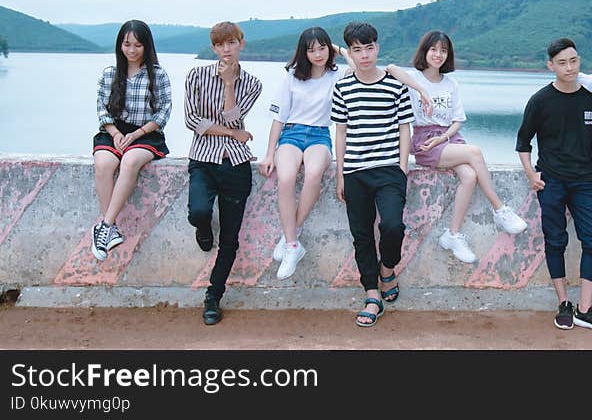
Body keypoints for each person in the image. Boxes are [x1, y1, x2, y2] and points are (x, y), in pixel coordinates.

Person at [259, 27, 432, 280]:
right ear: (303, 52)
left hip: (319, 135)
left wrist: (339, 48)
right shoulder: (293, 77)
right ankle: (292, 242)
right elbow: (278, 118)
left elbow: (363, 63)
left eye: (322, 48)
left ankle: (290, 237)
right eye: (311, 49)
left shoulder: (338, 74)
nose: (317, 54)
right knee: (285, 179)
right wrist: (268, 153)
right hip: (291, 133)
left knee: (314, 174)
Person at [386, 30, 530, 263]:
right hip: (426, 140)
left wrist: (444, 138)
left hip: (448, 139)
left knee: (470, 176)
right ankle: (500, 209)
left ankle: (452, 235)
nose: (438, 54)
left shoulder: (450, 83)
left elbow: (457, 120)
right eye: (433, 49)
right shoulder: (414, 78)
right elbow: (391, 68)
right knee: (475, 152)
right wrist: (421, 90)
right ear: (425, 51)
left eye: (443, 50)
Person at [516, 37, 592, 333]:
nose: (569, 67)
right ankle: (564, 304)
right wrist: (531, 175)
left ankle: (585, 309)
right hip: (551, 181)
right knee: (555, 240)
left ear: (579, 61)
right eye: (562, 63)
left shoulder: (590, 99)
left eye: (573, 61)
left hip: (584, 181)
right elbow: (523, 143)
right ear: (551, 66)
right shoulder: (540, 100)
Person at [331, 21, 414, 327]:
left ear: (377, 47)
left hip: (389, 169)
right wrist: (340, 173)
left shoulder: (395, 85)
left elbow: (405, 127)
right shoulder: (343, 87)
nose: (364, 55)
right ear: (350, 52)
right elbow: (341, 131)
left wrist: (402, 169)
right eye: (357, 49)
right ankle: (371, 295)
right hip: (355, 171)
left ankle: (388, 268)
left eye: (369, 48)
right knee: (362, 234)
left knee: (393, 226)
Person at [184, 21, 263, 325]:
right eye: (221, 45)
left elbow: (233, 119)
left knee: (230, 239)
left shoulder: (252, 83)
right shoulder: (196, 75)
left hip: (236, 165)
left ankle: (213, 296)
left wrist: (230, 84)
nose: (227, 49)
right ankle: (203, 227)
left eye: (232, 43)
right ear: (214, 47)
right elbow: (193, 121)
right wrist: (233, 135)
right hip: (203, 159)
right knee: (199, 210)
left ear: (241, 43)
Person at [90, 20, 172, 261]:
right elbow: (101, 110)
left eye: (138, 45)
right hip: (114, 130)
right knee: (104, 164)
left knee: (130, 161)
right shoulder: (109, 74)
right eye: (127, 44)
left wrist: (135, 135)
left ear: (147, 46)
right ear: (120, 46)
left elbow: (163, 112)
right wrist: (116, 134)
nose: (132, 50)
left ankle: (104, 225)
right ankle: (110, 231)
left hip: (146, 133)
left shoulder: (158, 75)